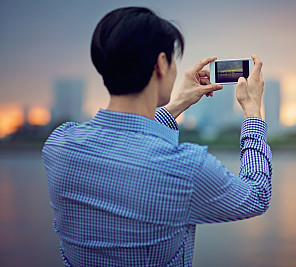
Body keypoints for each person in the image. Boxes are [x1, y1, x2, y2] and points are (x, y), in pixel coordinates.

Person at [42, 6, 272, 267]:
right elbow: (256, 195)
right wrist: (253, 111)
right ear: (161, 64)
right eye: (173, 60)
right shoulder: (185, 169)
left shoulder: (59, 145)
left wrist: (176, 105)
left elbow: (128, 140)